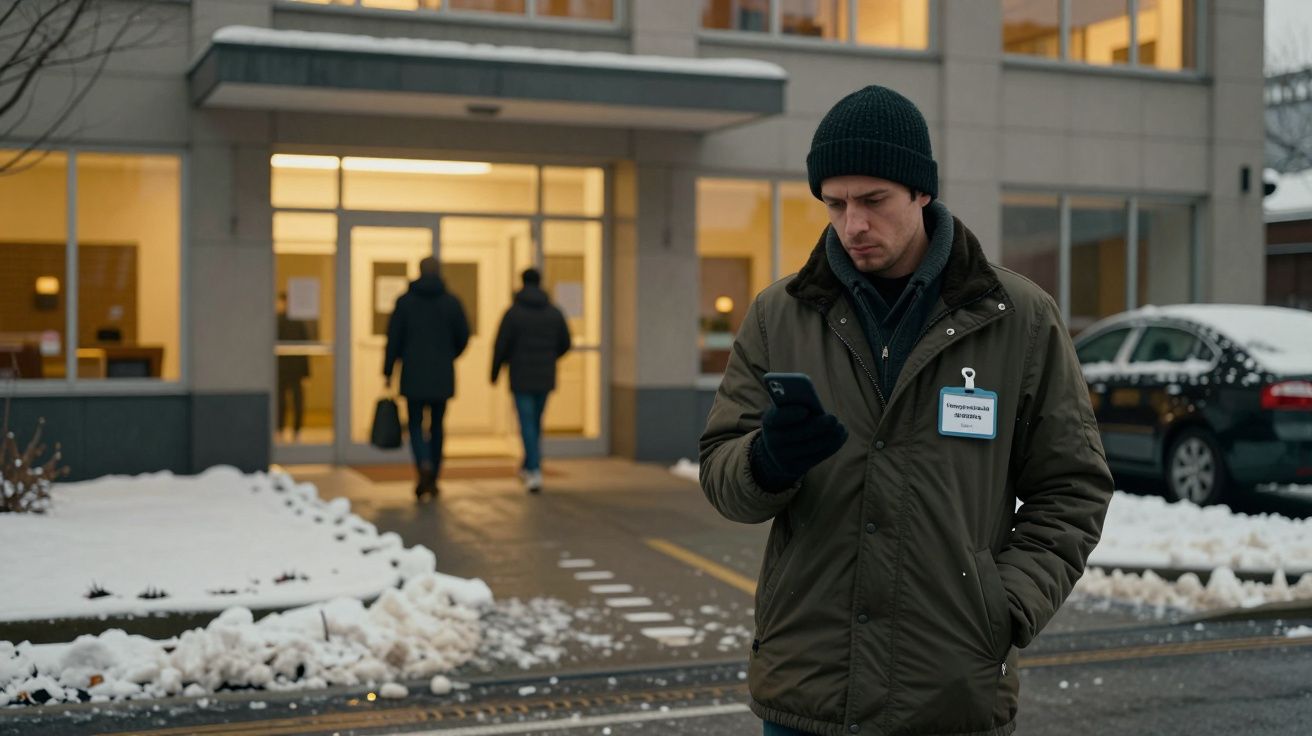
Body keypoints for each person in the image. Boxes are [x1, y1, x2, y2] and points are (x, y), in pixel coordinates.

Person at [699, 85, 1114, 736]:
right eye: (834, 203)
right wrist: (765, 460)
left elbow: (1073, 486)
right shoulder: (780, 315)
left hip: (950, 694)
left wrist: (1001, 608)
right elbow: (723, 476)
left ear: (921, 191)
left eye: (872, 201)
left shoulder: (1020, 318)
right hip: (808, 692)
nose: (852, 224)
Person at [384, 257, 470, 500]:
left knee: (415, 425)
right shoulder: (451, 303)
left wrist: (388, 370)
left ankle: (423, 463)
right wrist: (448, 355)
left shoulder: (405, 302)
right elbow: (463, 336)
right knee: (437, 426)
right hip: (442, 375)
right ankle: (433, 474)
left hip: (414, 374)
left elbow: (394, 338)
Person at [491, 268, 572, 494]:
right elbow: (565, 342)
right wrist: (549, 357)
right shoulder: (553, 312)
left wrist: (495, 371)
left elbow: (501, 344)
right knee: (535, 422)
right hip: (544, 376)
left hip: (521, 376)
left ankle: (534, 469)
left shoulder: (514, 313)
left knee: (527, 423)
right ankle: (530, 464)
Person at [276, 292, 310, 442]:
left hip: (293, 369)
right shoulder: (277, 321)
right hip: (282, 369)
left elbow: (305, 348)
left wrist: (306, 373)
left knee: (296, 402)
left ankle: (295, 430)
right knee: (281, 402)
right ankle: (281, 429)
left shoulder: (296, 322)